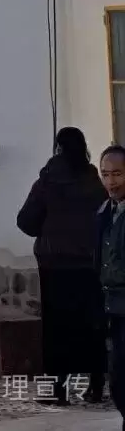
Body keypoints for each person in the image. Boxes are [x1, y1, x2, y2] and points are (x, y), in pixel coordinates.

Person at [18, 127, 107, 405]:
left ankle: (56, 389)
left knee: (57, 330)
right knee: (91, 325)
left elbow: (26, 222)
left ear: (57, 148)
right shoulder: (95, 181)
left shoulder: (47, 182)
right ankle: (96, 384)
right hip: (90, 265)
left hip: (54, 266)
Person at [97, 145, 125, 423]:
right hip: (113, 307)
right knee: (117, 381)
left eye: (117, 174)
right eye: (105, 175)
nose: (111, 182)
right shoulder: (106, 211)